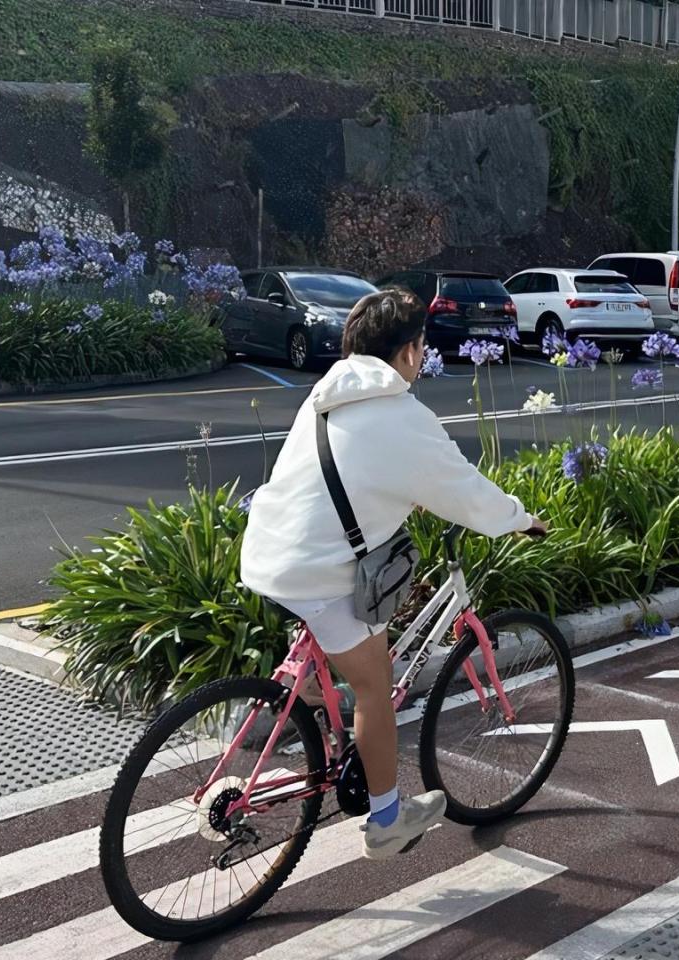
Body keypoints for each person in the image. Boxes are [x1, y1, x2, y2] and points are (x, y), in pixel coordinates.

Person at [240, 288, 546, 860]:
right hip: (316, 573)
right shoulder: (404, 416)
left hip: (267, 552)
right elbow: (469, 494)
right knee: (375, 686)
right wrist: (521, 520)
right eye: (422, 347)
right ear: (408, 352)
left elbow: (354, 473)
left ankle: (306, 699)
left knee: (336, 653)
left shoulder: (323, 396)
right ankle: (386, 822)